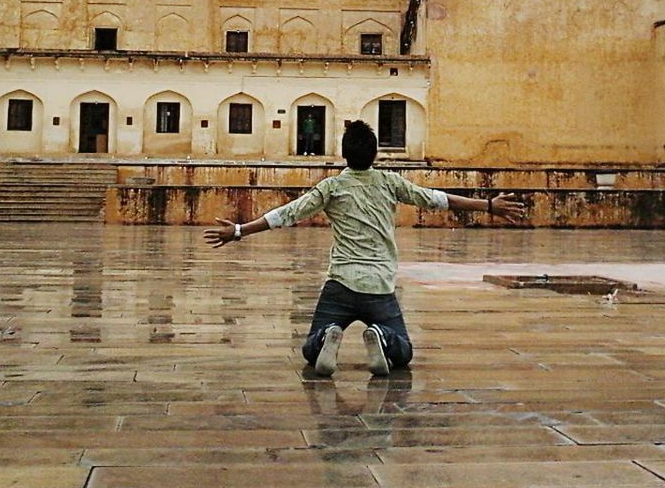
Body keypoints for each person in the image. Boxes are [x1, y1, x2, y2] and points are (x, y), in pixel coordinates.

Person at [204, 120, 525, 376]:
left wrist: (238, 231)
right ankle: (382, 337)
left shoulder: (331, 187)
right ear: (374, 154)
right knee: (402, 353)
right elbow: (438, 199)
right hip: (379, 289)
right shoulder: (390, 183)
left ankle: (329, 333)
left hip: (340, 286)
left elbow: (286, 214)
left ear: (345, 154)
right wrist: (488, 205)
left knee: (310, 352)